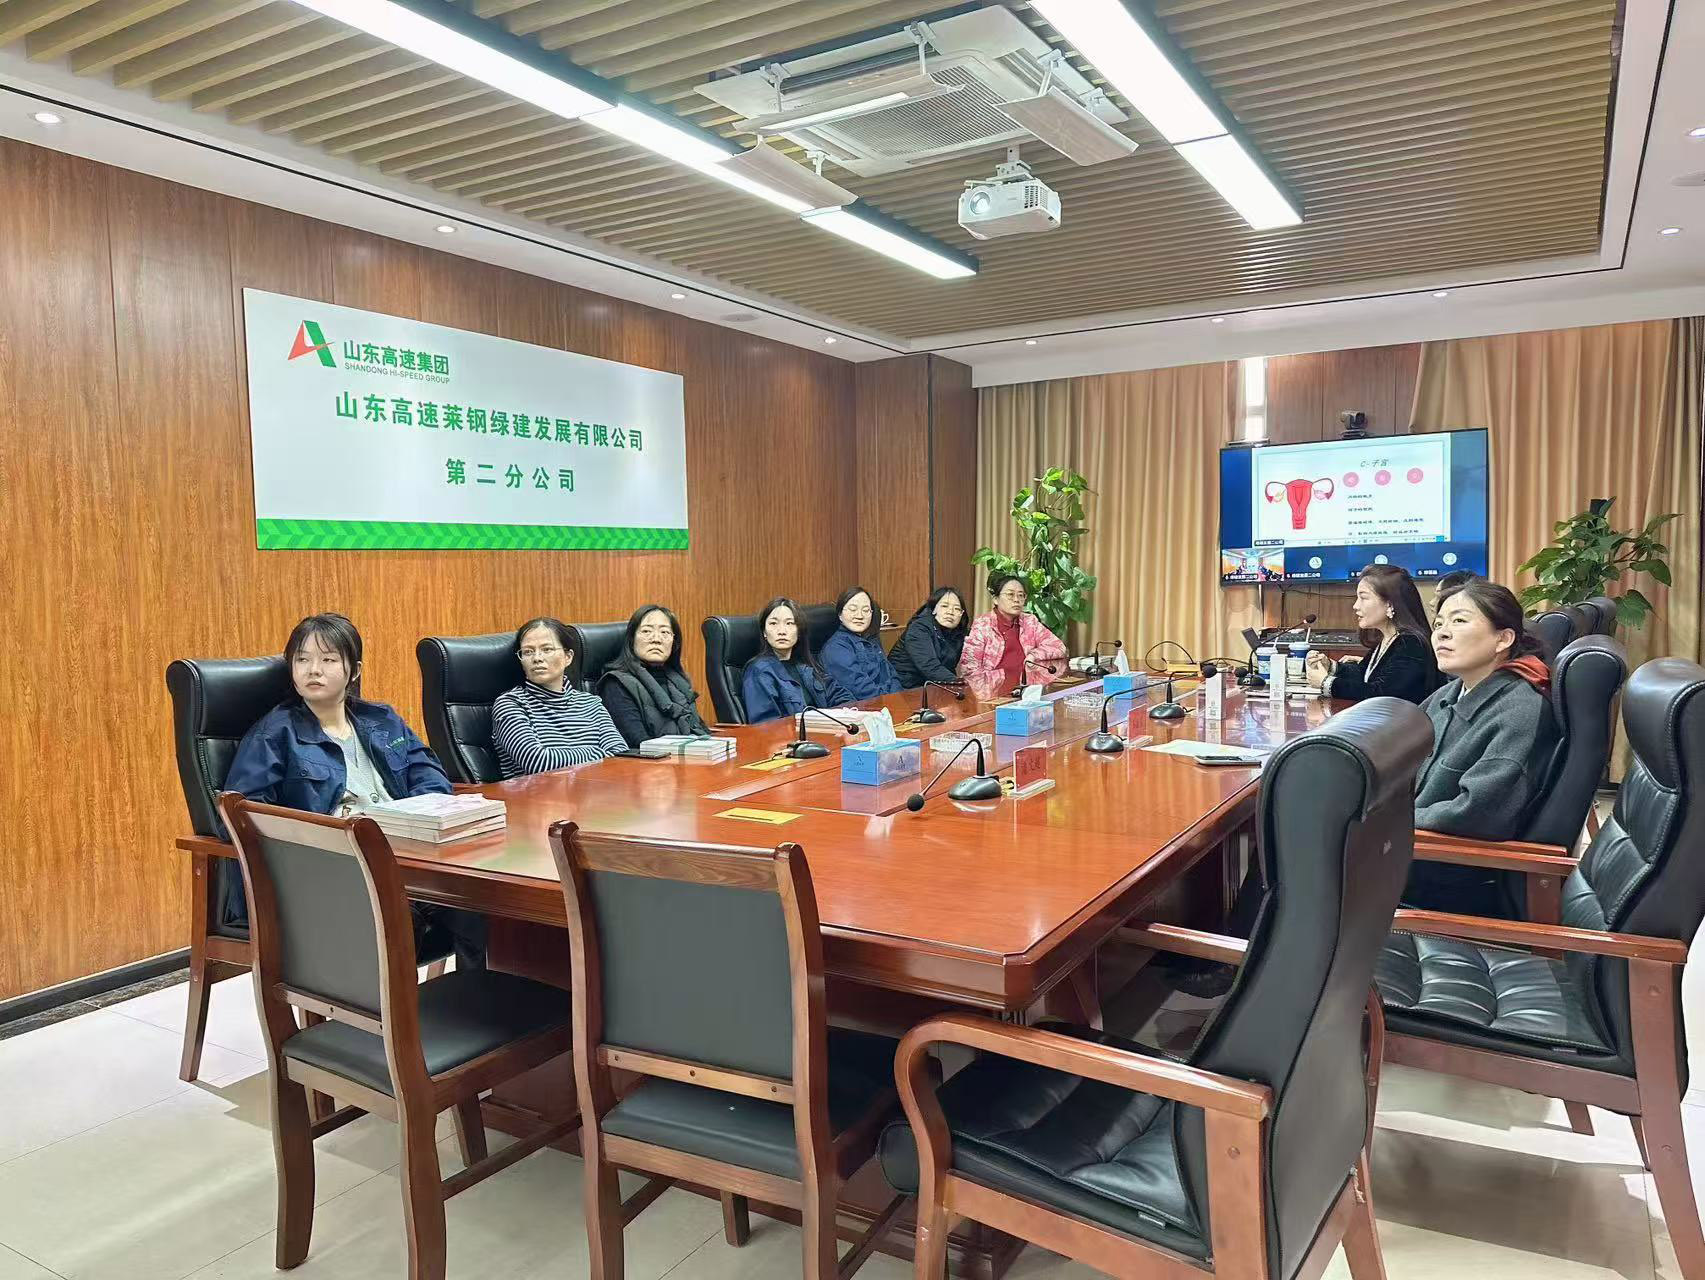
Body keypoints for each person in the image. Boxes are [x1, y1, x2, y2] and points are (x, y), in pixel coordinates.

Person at [223, 612, 486, 968]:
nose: (313, 670)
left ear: (354, 670)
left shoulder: (382, 720)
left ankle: (475, 994)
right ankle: (391, 1005)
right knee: (398, 915)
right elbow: (244, 815)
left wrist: (414, 815)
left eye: (328, 660)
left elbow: (430, 774)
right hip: (338, 868)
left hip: (407, 856)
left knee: (482, 905)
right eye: (302, 660)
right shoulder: (274, 735)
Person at [1404, 579, 1562, 916]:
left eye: (1459, 621)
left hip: (1443, 876)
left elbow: (1477, 814)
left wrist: (1389, 820)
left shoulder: (1520, 709)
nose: (1442, 634)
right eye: (1439, 624)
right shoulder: (1451, 693)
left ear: (1503, 639)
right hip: (1407, 851)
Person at [492, 617, 627, 775]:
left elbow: (620, 756)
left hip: (596, 788)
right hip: (538, 790)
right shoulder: (510, 705)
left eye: (547, 649)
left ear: (568, 657)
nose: (537, 658)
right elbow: (538, 763)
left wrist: (564, 757)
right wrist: (598, 753)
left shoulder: (591, 703)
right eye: (528, 652)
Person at [1305, 564, 1440, 703]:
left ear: (1390, 604)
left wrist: (1326, 683)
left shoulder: (1411, 644)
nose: (1355, 606)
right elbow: (1363, 674)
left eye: (1363, 598)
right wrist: (1330, 666)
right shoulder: (1389, 638)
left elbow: (1382, 694)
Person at [597, 604, 711, 749]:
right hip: (654, 761)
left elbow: (699, 730)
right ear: (631, 639)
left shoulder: (678, 682)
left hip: (690, 757)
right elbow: (639, 744)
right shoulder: (616, 684)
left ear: (674, 643)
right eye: (646, 631)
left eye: (665, 632)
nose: (656, 639)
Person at [741, 597, 850, 723]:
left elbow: (841, 696)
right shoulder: (759, 671)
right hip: (794, 735)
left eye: (789, 623)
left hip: (825, 730)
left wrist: (846, 716)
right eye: (773, 624)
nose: (781, 631)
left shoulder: (806, 666)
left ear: (799, 631)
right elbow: (766, 725)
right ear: (764, 632)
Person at [959, 573, 1068, 692]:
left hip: (1027, 690)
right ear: (996, 599)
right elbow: (969, 670)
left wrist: (1034, 655)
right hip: (994, 693)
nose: (1016, 600)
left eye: (1021, 595)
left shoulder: (1029, 621)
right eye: (1010, 595)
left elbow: (1058, 646)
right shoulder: (983, 625)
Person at [819, 585, 902, 702]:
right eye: (853, 609)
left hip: (890, 703)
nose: (860, 616)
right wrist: (890, 700)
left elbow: (892, 676)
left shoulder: (871, 640)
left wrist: (898, 698)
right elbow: (861, 690)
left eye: (866, 610)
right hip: (864, 707)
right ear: (840, 614)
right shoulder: (836, 648)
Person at [891, 587, 969, 688]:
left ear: (961, 614)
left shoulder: (959, 633)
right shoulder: (919, 628)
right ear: (933, 609)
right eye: (944, 606)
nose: (950, 612)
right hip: (902, 686)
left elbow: (949, 668)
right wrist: (960, 683)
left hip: (931, 685)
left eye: (957, 609)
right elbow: (928, 666)